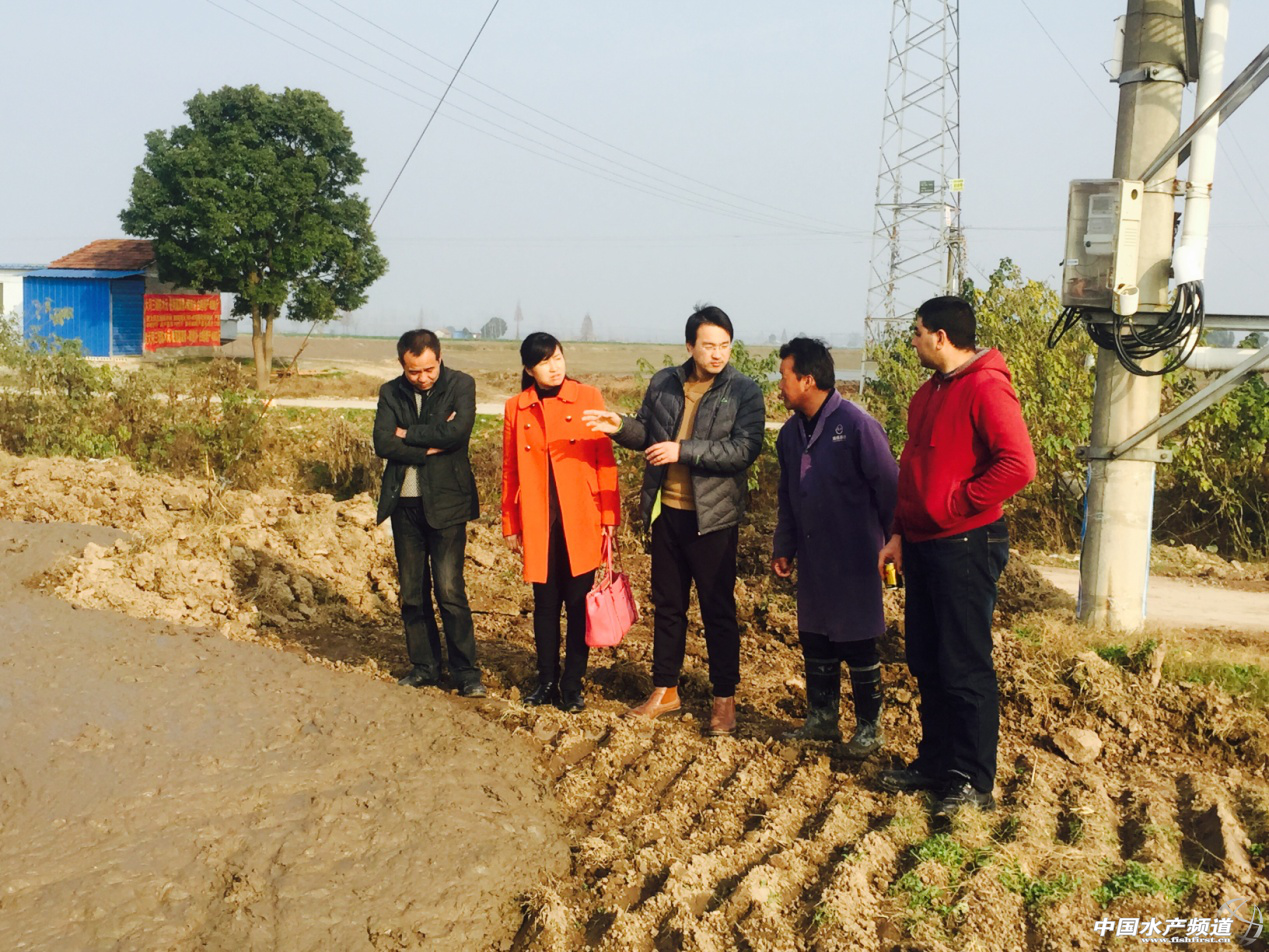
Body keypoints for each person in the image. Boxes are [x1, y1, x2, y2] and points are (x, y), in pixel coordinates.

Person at [877, 296, 1035, 816]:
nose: (914, 341)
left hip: (966, 541)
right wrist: (899, 532)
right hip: (923, 543)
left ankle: (971, 779)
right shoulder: (928, 393)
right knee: (927, 658)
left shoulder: (987, 387)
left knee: (963, 661)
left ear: (940, 337)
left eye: (918, 332)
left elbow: (1018, 464)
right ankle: (936, 764)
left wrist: (956, 504)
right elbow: (911, 471)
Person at [584, 305, 765, 735]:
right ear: (689, 346)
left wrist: (683, 450)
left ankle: (724, 699)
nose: (717, 353)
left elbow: (744, 450)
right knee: (668, 607)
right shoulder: (665, 382)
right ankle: (665, 689)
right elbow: (649, 433)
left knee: (717, 610)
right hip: (668, 513)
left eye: (724, 345)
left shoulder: (744, 391)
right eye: (709, 345)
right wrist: (619, 426)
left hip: (713, 519)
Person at [771, 338, 898, 757]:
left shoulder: (857, 426)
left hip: (856, 556)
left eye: (784, 377)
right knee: (815, 637)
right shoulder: (790, 435)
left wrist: (895, 542)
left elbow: (890, 489)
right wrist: (784, 545)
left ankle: (869, 730)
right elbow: (787, 496)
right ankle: (821, 720)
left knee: (858, 640)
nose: (780, 385)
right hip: (813, 556)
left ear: (807, 380)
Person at [502, 333, 621, 713]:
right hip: (540, 520)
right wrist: (510, 523)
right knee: (545, 604)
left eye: (557, 358)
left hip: (581, 516)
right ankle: (546, 681)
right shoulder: (517, 408)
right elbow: (510, 468)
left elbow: (604, 459)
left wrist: (609, 515)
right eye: (544, 362)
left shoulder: (588, 397)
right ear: (528, 369)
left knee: (578, 603)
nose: (554, 367)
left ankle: (572, 685)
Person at [373, 329, 486, 698]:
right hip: (404, 504)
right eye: (413, 371)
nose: (422, 378)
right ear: (401, 365)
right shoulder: (390, 392)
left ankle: (466, 673)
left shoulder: (461, 385)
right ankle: (424, 667)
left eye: (428, 369)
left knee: (450, 590)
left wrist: (407, 434)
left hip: (447, 504)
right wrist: (427, 446)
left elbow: (457, 433)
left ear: (440, 358)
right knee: (412, 592)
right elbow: (382, 442)